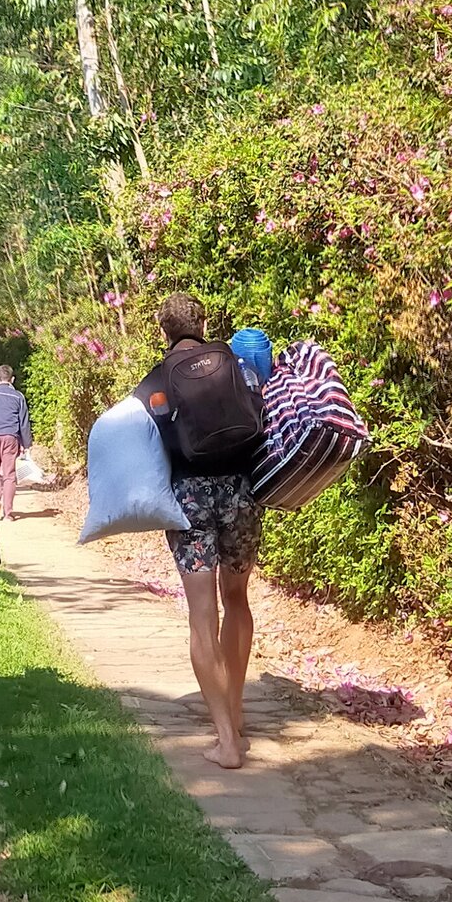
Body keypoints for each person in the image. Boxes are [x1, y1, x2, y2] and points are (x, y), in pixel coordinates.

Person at [135, 290, 267, 770]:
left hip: (190, 497)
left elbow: (140, 441)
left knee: (201, 615)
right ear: (204, 322)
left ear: (162, 330)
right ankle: (236, 711)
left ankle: (226, 741)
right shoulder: (234, 362)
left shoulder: (157, 378)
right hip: (241, 493)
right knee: (237, 600)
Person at [0, 364, 33, 521]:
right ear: (12, 379)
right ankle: (8, 513)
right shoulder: (18, 396)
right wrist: (26, 444)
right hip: (11, 437)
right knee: (9, 475)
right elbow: (24, 422)